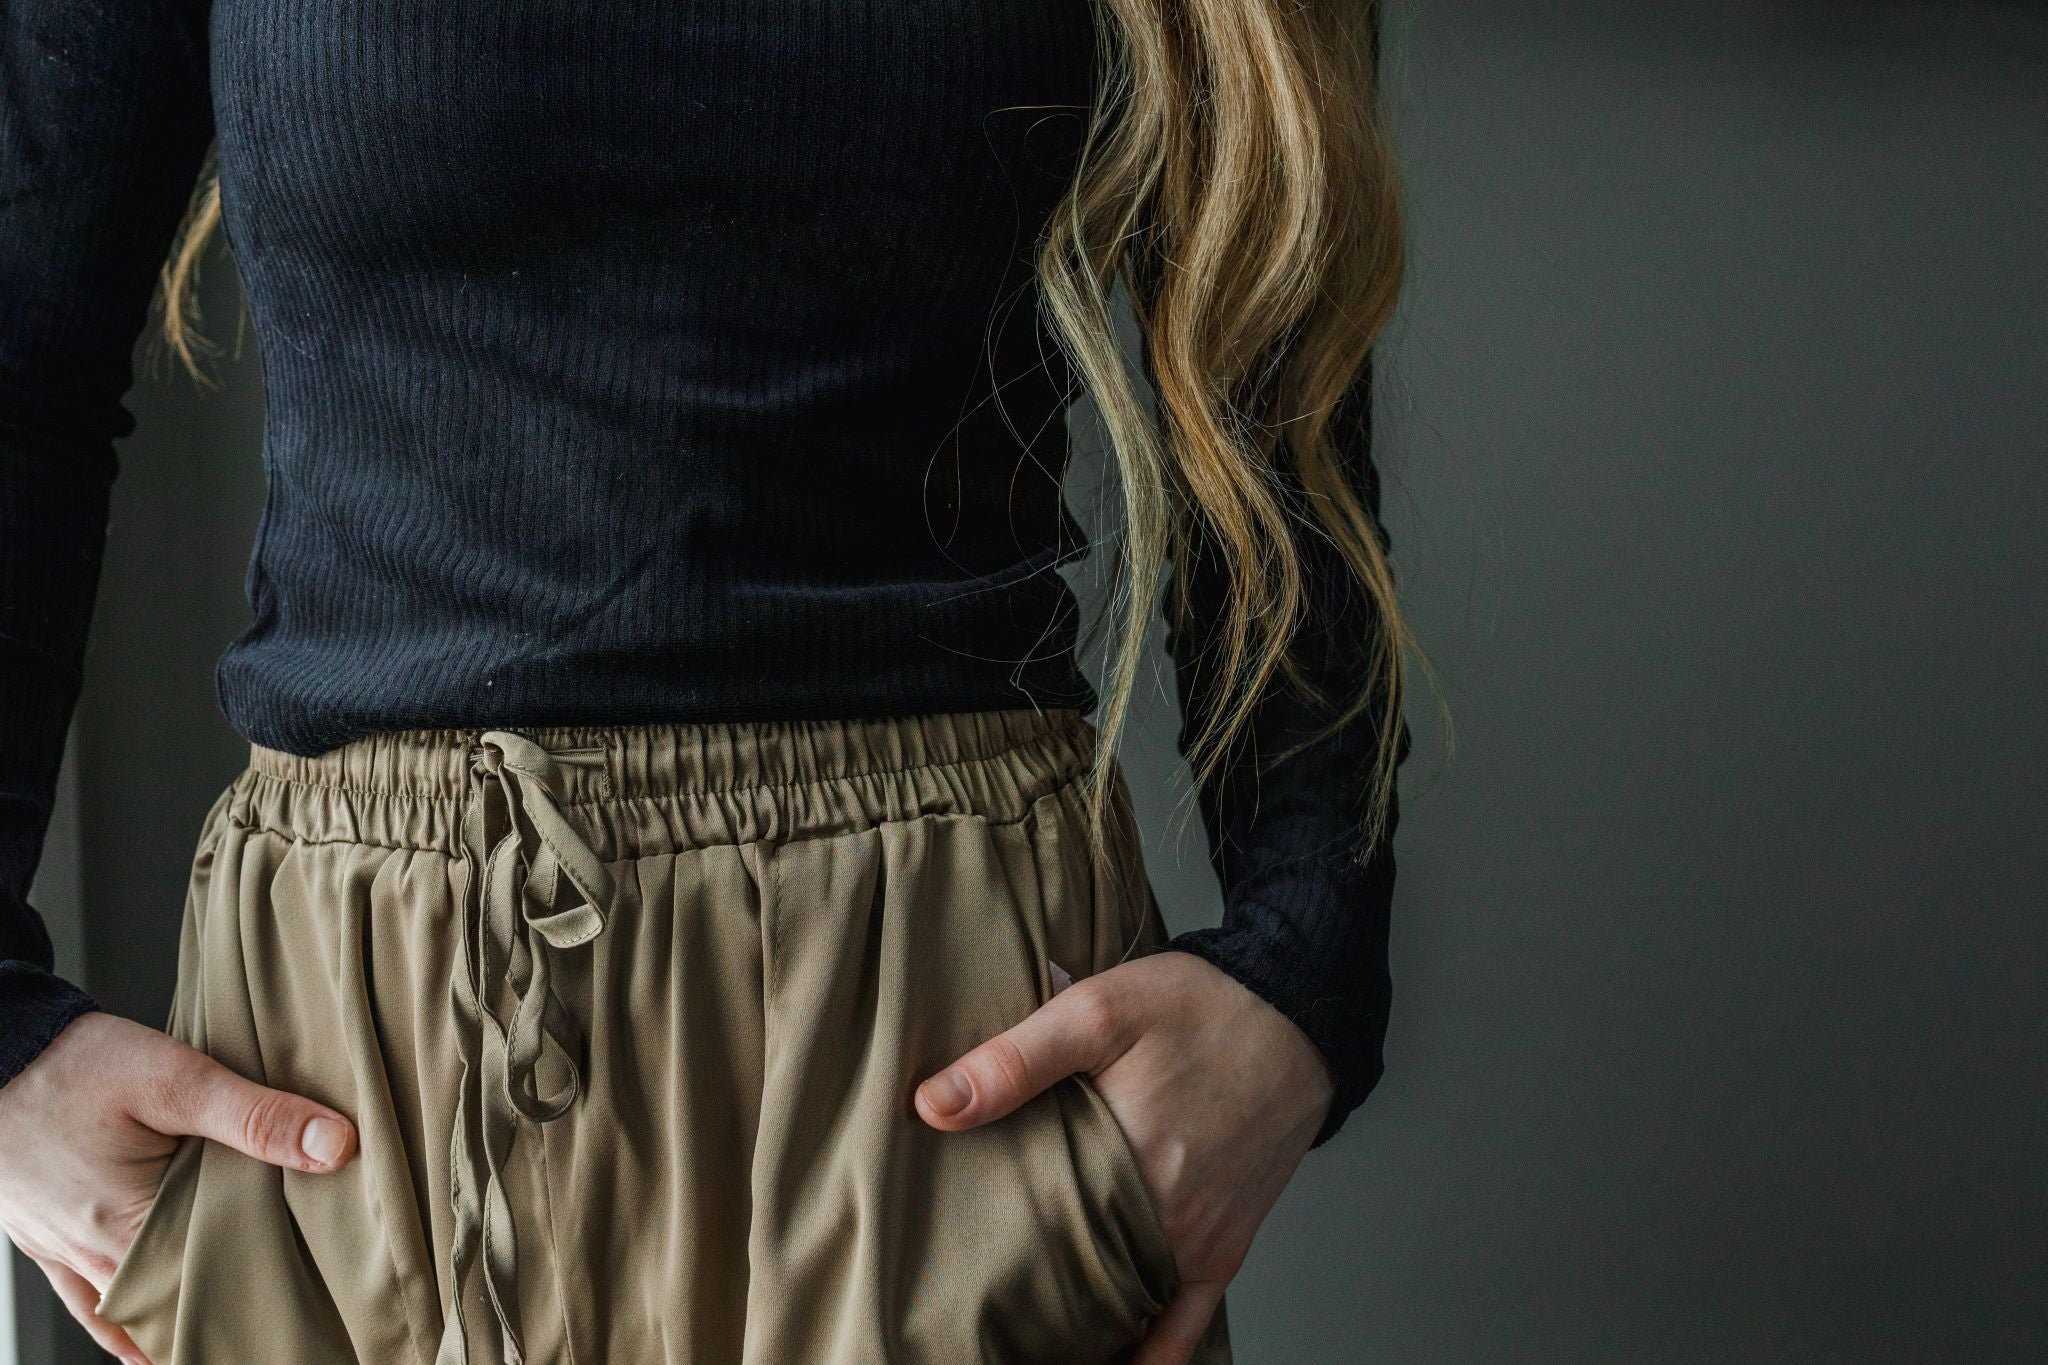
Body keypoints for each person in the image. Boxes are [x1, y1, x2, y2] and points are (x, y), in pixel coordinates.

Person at [0, 2, 1419, 1362]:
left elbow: (1271, 364)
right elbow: (25, 354)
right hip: (356, 1074)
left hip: (942, 1042)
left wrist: (1305, 970)